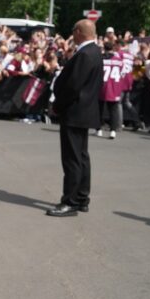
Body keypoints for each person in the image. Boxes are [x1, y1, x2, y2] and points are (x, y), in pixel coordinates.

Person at [46, 19, 103, 217]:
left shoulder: (85, 54)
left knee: (72, 159)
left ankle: (70, 201)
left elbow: (72, 86)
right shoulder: (94, 52)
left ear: (79, 32)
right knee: (81, 156)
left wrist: (58, 105)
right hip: (84, 110)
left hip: (75, 111)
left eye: (73, 31)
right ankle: (81, 198)